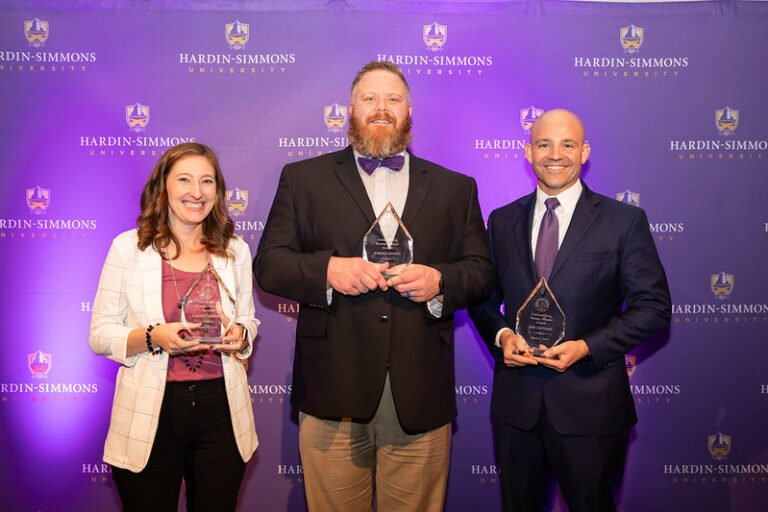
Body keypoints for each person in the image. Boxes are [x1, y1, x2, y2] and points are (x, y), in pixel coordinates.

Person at [254, 60, 495, 511]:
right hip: (332, 390)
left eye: (393, 99)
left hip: (420, 392)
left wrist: (439, 279)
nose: (381, 108)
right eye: (369, 98)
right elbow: (268, 265)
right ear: (350, 108)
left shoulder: (455, 188)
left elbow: (481, 271)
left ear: (409, 111)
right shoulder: (302, 179)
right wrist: (328, 271)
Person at [469, 109, 671, 512]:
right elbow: (483, 299)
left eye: (567, 144)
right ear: (528, 152)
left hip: (591, 408)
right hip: (517, 409)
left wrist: (587, 346)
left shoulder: (623, 221)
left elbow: (654, 307)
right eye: (544, 144)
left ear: (585, 152)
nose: (555, 154)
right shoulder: (502, 220)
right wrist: (502, 335)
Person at [89, 142, 260, 511]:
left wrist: (241, 334)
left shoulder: (235, 250)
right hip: (152, 411)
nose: (196, 192)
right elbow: (100, 334)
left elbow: (247, 319)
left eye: (207, 182)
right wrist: (153, 337)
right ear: (163, 186)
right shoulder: (128, 249)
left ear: (218, 191)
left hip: (222, 411)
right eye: (184, 179)